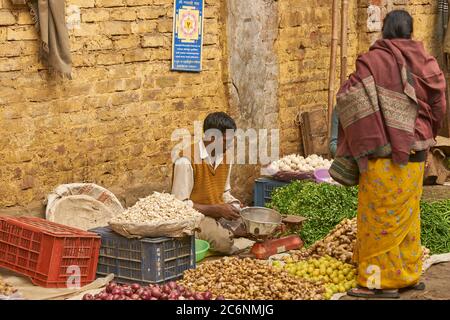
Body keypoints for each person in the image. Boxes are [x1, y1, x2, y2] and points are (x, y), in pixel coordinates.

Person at [334, 10, 446, 298]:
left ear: (384, 31)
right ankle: (408, 276)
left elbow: (350, 98)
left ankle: (377, 284)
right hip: (416, 151)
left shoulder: (372, 61)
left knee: (377, 220)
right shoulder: (426, 60)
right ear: (410, 31)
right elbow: (439, 103)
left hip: (381, 153)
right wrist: (423, 129)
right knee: (408, 215)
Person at [171, 112, 245, 254]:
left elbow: (224, 192)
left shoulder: (226, 157)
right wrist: (216, 209)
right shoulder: (186, 161)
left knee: (251, 226)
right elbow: (178, 205)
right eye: (226, 141)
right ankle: (210, 235)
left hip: (216, 213)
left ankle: (222, 230)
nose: (229, 146)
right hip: (194, 216)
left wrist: (234, 204)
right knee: (224, 243)